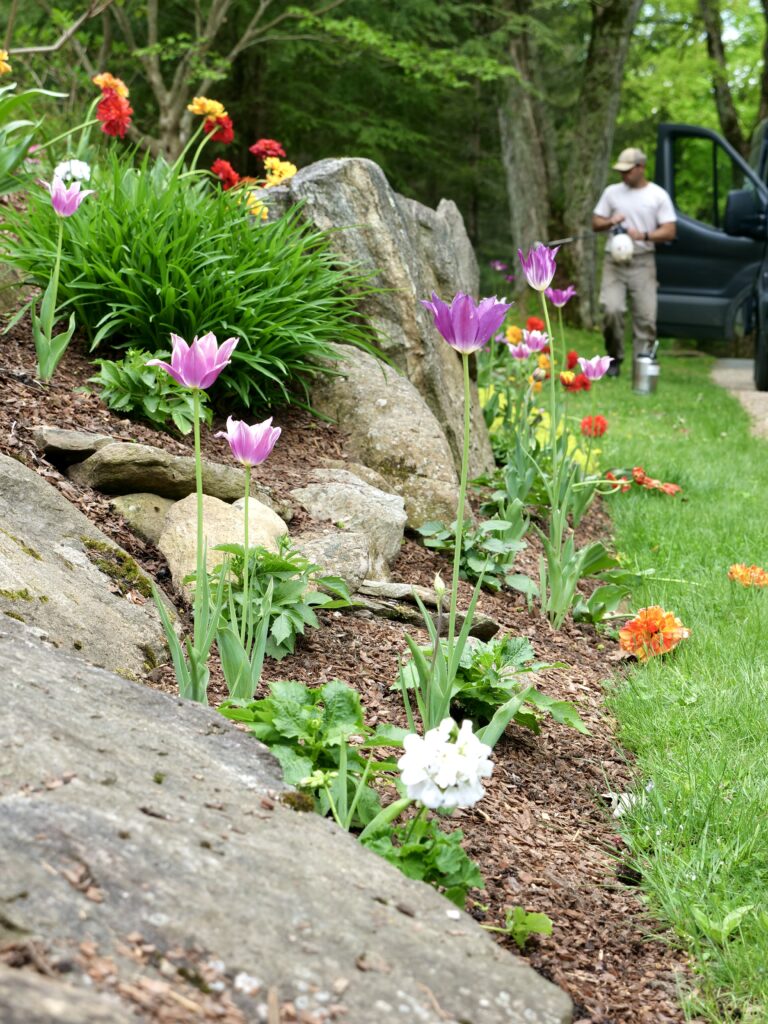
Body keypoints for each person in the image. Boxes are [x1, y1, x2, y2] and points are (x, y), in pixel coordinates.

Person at [592, 147, 677, 376]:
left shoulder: (657, 195)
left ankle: (642, 364)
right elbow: (595, 222)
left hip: (643, 260)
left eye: (627, 171)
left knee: (646, 317)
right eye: (621, 171)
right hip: (614, 261)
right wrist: (611, 221)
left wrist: (644, 235)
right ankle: (614, 360)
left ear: (641, 168)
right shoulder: (612, 192)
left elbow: (669, 230)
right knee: (611, 309)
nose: (623, 175)